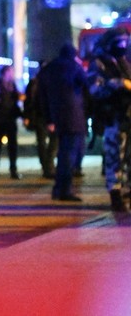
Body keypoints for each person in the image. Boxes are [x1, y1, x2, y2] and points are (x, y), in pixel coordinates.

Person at [85, 27, 131, 212]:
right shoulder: (99, 63)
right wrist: (117, 84)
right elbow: (94, 90)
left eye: (126, 41)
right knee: (114, 158)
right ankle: (115, 194)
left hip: (127, 116)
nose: (123, 45)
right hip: (114, 117)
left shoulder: (123, 61)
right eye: (120, 41)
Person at [41, 43, 88, 202]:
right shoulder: (75, 67)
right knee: (69, 155)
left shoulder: (49, 69)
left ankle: (58, 189)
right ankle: (65, 190)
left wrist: (48, 118)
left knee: (62, 152)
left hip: (57, 116)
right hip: (74, 116)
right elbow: (86, 84)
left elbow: (42, 95)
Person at [0, 66, 22, 180]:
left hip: (10, 119)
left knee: (12, 146)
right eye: (10, 72)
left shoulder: (12, 85)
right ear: (5, 73)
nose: (12, 74)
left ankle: (12, 170)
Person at [23, 62, 56, 179]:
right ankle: (48, 166)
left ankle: (47, 166)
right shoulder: (45, 83)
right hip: (42, 116)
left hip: (40, 116)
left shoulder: (36, 82)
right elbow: (30, 101)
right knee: (48, 142)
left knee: (45, 143)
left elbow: (28, 101)